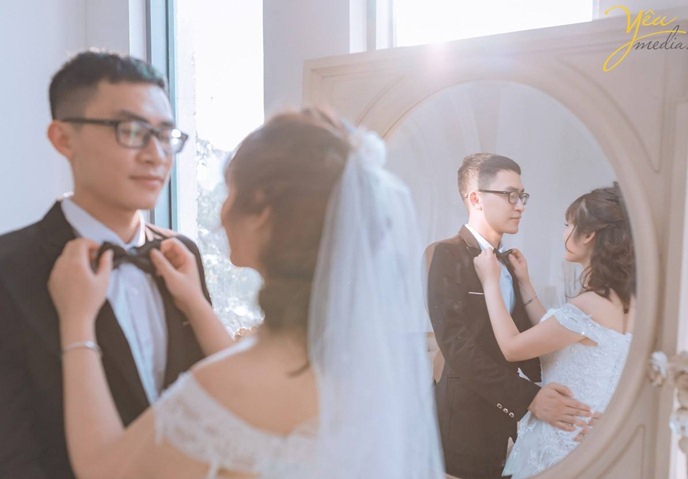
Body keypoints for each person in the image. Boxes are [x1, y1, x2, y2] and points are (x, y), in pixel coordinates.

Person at [47, 108, 445, 479]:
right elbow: (255, 379)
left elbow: (103, 468)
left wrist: (77, 321)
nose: (221, 214)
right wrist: (196, 304)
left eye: (230, 192)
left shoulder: (224, 387)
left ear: (262, 213)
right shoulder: (360, 364)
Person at [0, 51, 221, 479]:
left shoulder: (182, 256)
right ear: (64, 139)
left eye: (165, 134)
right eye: (132, 131)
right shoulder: (10, 267)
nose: (157, 155)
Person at [425, 153, 593, 479]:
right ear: (476, 199)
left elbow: (527, 342)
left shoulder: (512, 263)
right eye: (510, 195)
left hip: (515, 425)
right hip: (465, 422)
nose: (520, 206)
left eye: (522, 196)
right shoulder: (445, 254)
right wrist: (529, 398)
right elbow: (456, 346)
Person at [473, 184, 635, 479]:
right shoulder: (626, 303)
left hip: (559, 442)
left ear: (588, 235)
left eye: (568, 225)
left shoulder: (590, 304)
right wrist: (524, 282)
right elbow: (555, 332)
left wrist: (489, 282)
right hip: (590, 442)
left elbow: (512, 347)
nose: (564, 233)